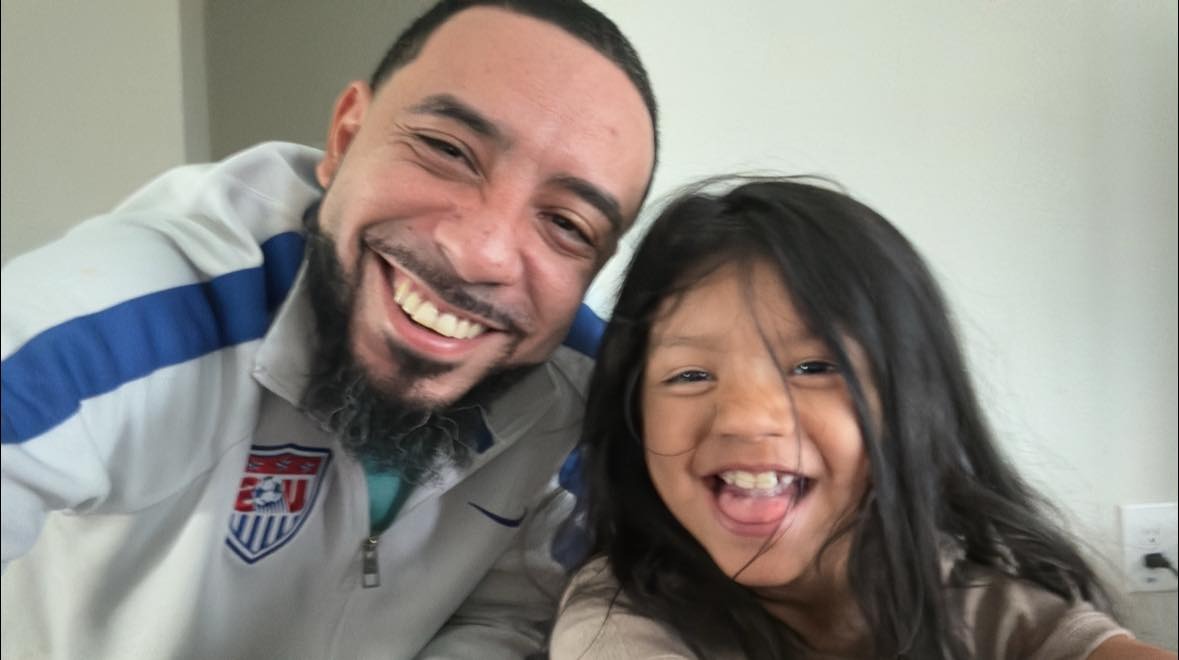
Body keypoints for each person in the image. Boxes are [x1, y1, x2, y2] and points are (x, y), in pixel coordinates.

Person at [0, 1, 657, 657]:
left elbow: (510, 607)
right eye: (447, 150)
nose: (480, 254)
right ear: (344, 139)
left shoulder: (587, 402)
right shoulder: (134, 314)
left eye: (567, 225)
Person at [549, 178, 1174, 659]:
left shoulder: (971, 599)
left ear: (913, 404)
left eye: (814, 367)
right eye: (689, 375)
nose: (745, 418)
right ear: (634, 416)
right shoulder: (619, 620)